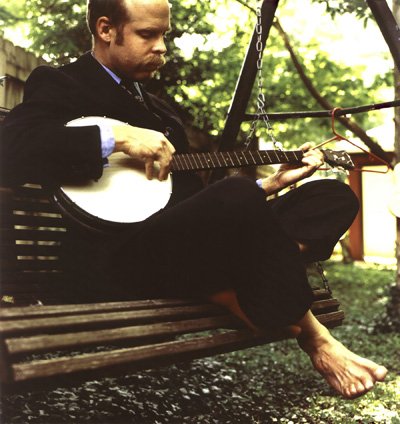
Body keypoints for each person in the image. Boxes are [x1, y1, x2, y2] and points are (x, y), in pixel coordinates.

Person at [0, 0, 387, 399]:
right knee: (237, 193)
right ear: (105, 29)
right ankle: (315, 339)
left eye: (163, 35)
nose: (162, 47)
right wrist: (117, 137)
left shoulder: (161, 113)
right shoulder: (61, 83)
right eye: (147, 34)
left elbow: (191, 203)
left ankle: (238, 275)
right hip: (115, 258)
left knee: (331, 196)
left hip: (179, 253)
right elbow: (11, 149)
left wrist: (270, 186)